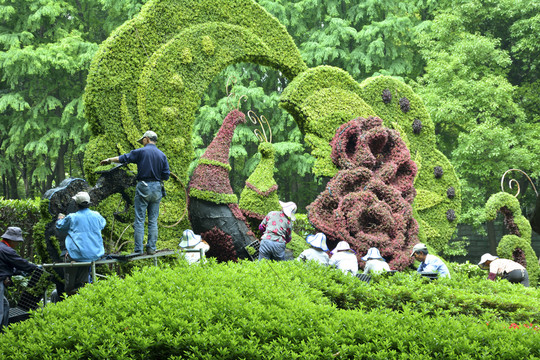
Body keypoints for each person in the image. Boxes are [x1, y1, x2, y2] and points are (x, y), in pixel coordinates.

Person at [100, 130, 170, 255]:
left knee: (140, 219)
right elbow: (166, 175)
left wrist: (109, 160)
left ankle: (138, 249)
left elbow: (124, 158)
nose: (142, 142)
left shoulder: (141, 152)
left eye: (142, 140)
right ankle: (151, 248)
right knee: (153, 221)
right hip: (157, 188)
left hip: (143, 186)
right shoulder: (162, 155)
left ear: (147, 139)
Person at [56, 192, 106, 295]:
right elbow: (103, 224)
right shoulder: (96, 215)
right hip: (94, 254)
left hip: (77, 255)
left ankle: (70, 289)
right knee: (84, 281)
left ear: (76, 204)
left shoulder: (72, 217)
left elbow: (60, 226)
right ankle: (83, 287)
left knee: (70, 284)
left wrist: (60, 219)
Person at [0, 227, 39, 331]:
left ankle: (3, 333)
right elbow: (20, 262)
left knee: (4, 305)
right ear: (12, 240)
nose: (17, 244)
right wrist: (34, 268)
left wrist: (17, 272)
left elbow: (5, 266)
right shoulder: (6, 250)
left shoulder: (2, 248)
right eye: (17, 242)